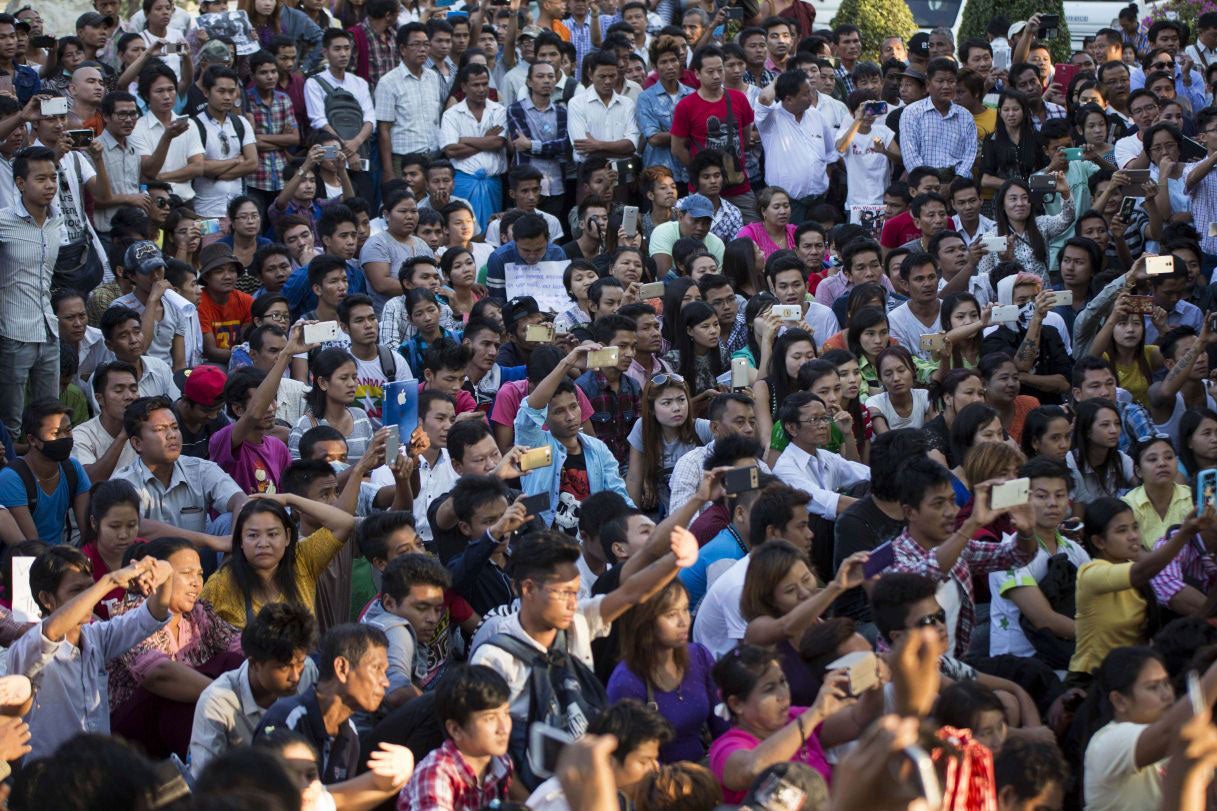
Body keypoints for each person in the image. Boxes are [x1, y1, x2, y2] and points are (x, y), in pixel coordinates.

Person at [11, 547, 174, 761]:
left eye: (90, 589)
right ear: (47, 599)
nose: (90, 598)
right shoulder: (28, 647)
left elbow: (152, 615)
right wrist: (109, 582)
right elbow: (50, 631)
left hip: (98, 772)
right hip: (50, 780)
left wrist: (165, 572)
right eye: (77, 590)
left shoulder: (96, 636)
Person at [1069, 499, 1210, 681]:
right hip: (1092, 679)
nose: (1133, 536)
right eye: (1122, 531)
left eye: (1134, 527)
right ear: (1099, 542)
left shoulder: (1133, 565)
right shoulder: (1090, 573)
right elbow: (1143, 571)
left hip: (1132, 675)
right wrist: (1184, 534)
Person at [707, 643, 854, 803]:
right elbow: (755, 768)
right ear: (737, 704)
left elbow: (857, 721)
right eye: (769, 689)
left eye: (783, 681)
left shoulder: (794, 717)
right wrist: (815, 713)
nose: (783, 695)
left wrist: (874, 685)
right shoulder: (725, 749)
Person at [188, 601, 318, 777]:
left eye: (299, 663)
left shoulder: (308, 672)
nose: (295, 676)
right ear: (255, 663)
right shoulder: (217, 702)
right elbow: (205, 782)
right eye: (284, 667)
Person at [1083, 647, 1217, 810]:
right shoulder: (1107, 741)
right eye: (1153, 687)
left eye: (1166, 683)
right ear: (1119, 701)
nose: (1166, 694)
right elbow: (1171, 731)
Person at [200, 493, 356, 629]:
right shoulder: (220, 583)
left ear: (287, 536)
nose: (263, 543)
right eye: (253, 535)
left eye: (273, 534)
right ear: (240, 539)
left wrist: (289, 498)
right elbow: (195, 633)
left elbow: (345, 523)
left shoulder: (302, 559)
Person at [0, 145, 61, 438]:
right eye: (41, 179)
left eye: (53, 177)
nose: (50, 185)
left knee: (50, 418)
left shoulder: (56, 223)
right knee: (10, 421)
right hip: (12, 332)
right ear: (21, 183)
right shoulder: (2, 222)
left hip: (49, 330)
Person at [396, 663, 514, 810]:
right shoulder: (435, 772)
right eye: (490, 718)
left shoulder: (502, 763)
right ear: (455, 729)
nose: (503, 728)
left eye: (506, 713)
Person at [526, 699, 674, 810]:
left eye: (655, 759)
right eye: (644, 761)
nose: (656, 768)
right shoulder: (561, 804)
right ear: (608, 760)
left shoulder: (614, 795)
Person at [0, 398, 90, 545]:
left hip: (60, 557)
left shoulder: (72, 469)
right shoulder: (11, 478)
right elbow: (32, 544)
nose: (64, 438)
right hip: (23, 562)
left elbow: (87, 531)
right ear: (32, 439)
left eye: (68, 430)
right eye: (55, 433)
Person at [899, 58, 978, 179]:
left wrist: (954, 184)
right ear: (927, 84)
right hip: (922, 184)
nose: (946, 86)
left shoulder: (965, 116)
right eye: (940, 81)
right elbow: (911, 157)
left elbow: (969, 156)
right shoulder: (912, 112)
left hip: (957, 184)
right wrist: (930, 184)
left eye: (951, 81)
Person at [73, 360, 139, 482]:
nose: (129, 396)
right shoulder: (82, 435)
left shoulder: (146, 429)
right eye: (119, 391)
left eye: (134, 390)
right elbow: (89, 480)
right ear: (100, 399)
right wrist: (123, 436)